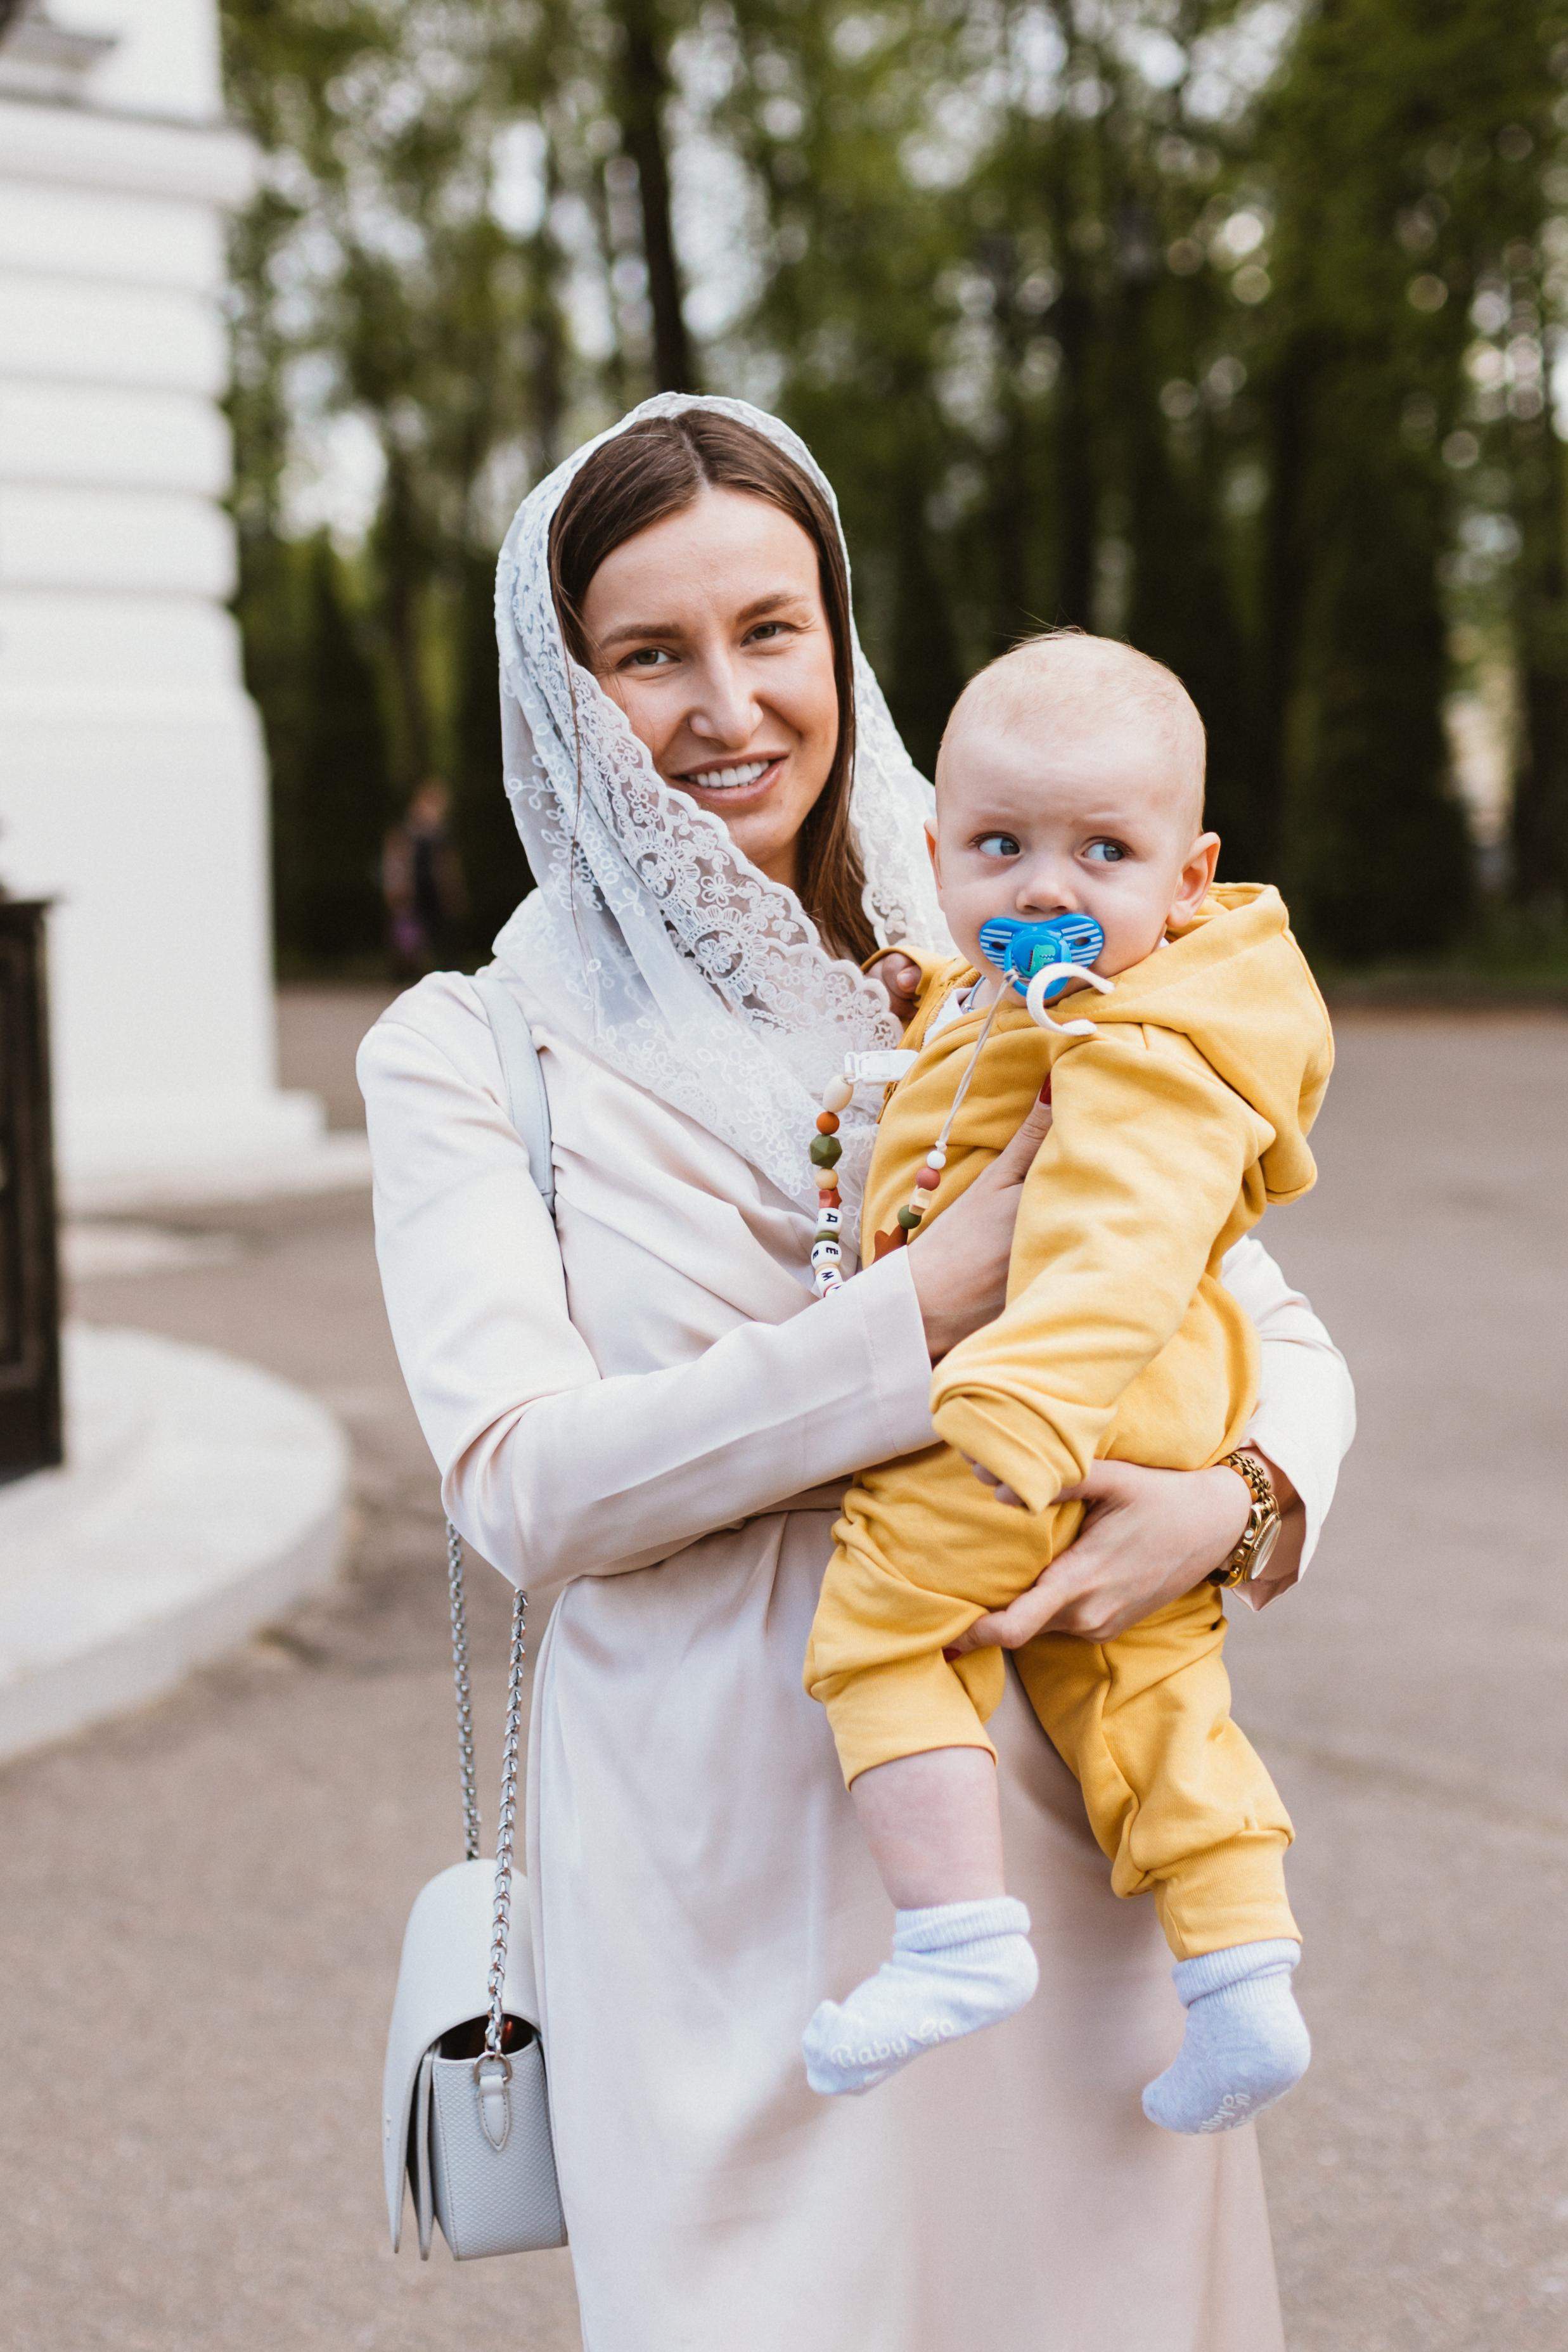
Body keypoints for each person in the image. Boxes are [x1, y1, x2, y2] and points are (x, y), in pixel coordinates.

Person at [358, 395, 1356, 2352]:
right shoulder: (474, 1048)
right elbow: (524, 1484)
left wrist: (1235, 1503)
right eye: (646, 653)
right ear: (564, 694)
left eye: (768, 630)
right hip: (713, 1848)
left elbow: (1264, 1317)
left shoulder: (1012, 943)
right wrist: (922, 1314)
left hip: (1039, 1814)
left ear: (840, 638)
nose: (724, 702)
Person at [801, 634, 1328, 2135]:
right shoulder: (1013, 1000)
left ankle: (953, 1937)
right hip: (1139, 1426)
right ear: (937, 855)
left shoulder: (1142, 1042)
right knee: (1150, 1693)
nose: (1044, 887)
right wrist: (924, 997)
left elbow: (1116, 1241)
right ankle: (1241, 1984)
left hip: (1034, 1417)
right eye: (999, 847)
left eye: (1101, 848)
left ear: (1188, 876)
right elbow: (959, 1080)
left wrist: (1021, 1405)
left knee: (882, 1634)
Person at [382, 778, 465, 974]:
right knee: (408, 934)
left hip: (437, 893)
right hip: (413, 892)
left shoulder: (442, 834)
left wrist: (454, 891)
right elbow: (395, 862)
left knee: (443, 934)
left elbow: (448, 866)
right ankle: (405, 973)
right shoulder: (406, 831)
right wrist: (396, 887)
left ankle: (446, 970)